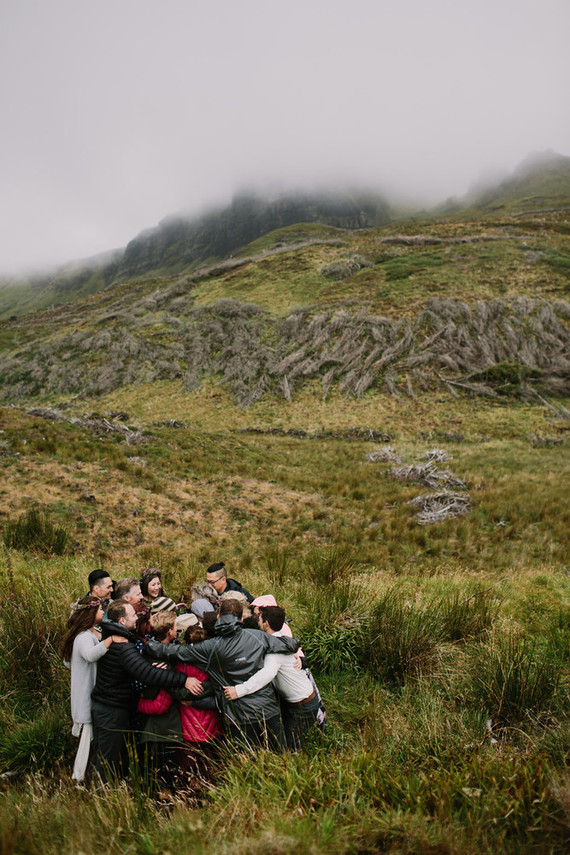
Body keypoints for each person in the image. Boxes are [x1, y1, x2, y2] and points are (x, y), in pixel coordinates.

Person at [144, 599, 300, 751]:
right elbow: (290, 644)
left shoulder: (211, 647)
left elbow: (175, 652)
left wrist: (147, 646)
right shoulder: (258, 637)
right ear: (240, 619)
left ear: (219, 617)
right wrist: (299, 657)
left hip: (238, 715)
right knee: (280, 758)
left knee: (244, 766)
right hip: (268, 710)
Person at [90, 598, 203, 784]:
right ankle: (98, 796)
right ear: (122, 622)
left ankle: (108, 794)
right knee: (107, 758)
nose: (138, 618)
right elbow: (147, 674)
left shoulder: (120, 640)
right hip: (110, 710)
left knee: (113, 756)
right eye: (133, 615)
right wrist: (184, 680)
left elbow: (145, 670)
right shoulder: (122, 647)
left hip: (113, 707)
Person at [223, 606, 319, 751]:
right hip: (296, 703)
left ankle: (294, 771)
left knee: (290, 748)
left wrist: (238, 691)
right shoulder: (280, 641)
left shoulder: (275, 651)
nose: (257, 620)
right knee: (286, 743)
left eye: (260, 617)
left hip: (302, 706)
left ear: (266, 623)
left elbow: (266, 675)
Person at [61, 595, 113, 782]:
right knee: (86, 740)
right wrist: (110, 641)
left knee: (90, 740)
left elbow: (69, 662)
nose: (102, 612)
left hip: (89, 692)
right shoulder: (83, 637)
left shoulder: (90, 633)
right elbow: (90, 656)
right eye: (100, 610)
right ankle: (78, 777)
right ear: (91, 613)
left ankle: (84, 775)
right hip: (85, 694)